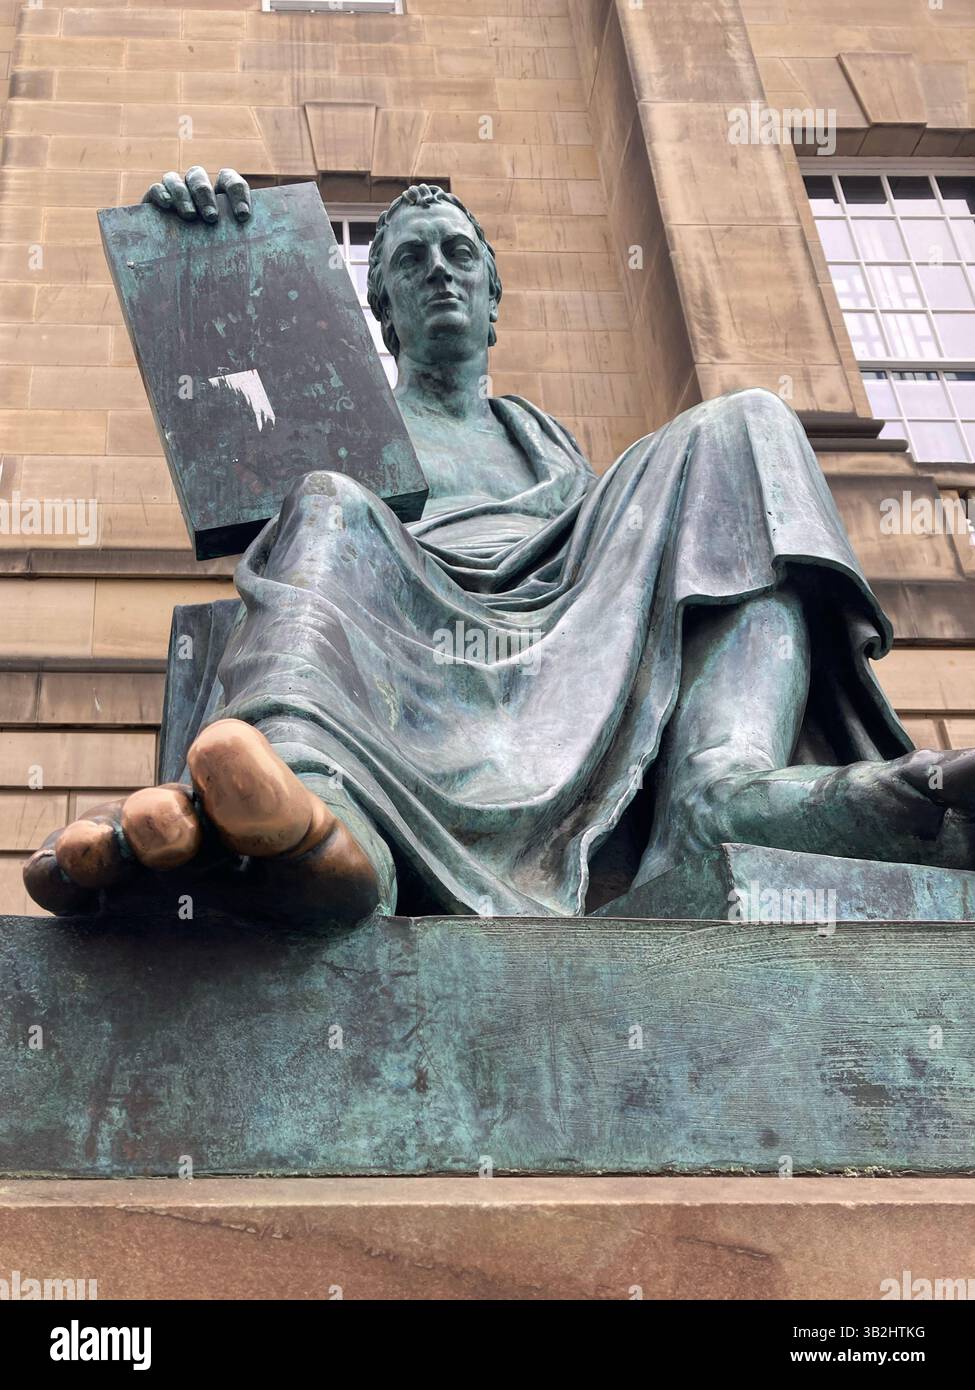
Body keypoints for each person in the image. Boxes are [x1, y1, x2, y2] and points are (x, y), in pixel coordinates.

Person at [25, 168, 975, 926]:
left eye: (459, 254)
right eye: (408, 262)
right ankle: (311, 808)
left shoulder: (551, 446)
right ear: (384, 315)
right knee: (323, 500)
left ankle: (719, 789)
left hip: (576, 616)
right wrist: (197, 241)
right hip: (408, 630)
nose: (439, 269)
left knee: (745, 423)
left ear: (490, 302)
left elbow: (635, 556)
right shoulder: (345, 433)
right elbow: (239, 402)